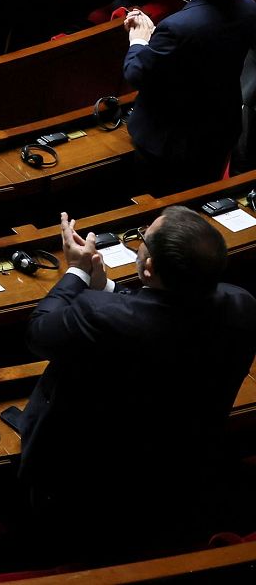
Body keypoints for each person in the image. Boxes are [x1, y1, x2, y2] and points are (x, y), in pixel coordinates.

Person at [18, 207, 256, 563]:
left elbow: (39, 331)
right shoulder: (243, 305)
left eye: (143, 238)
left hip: (88, 487)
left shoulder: (100, 316)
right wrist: (108, 287)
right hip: (183, 471)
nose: (140, 240)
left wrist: (77, 272)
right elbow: (166, 309)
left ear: (148, 268)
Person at [122, 0, 256, 193]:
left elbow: (136, 73)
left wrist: (139, 40)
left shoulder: (178, 27)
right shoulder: (249, 8)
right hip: (221, 129)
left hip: (171, 142)